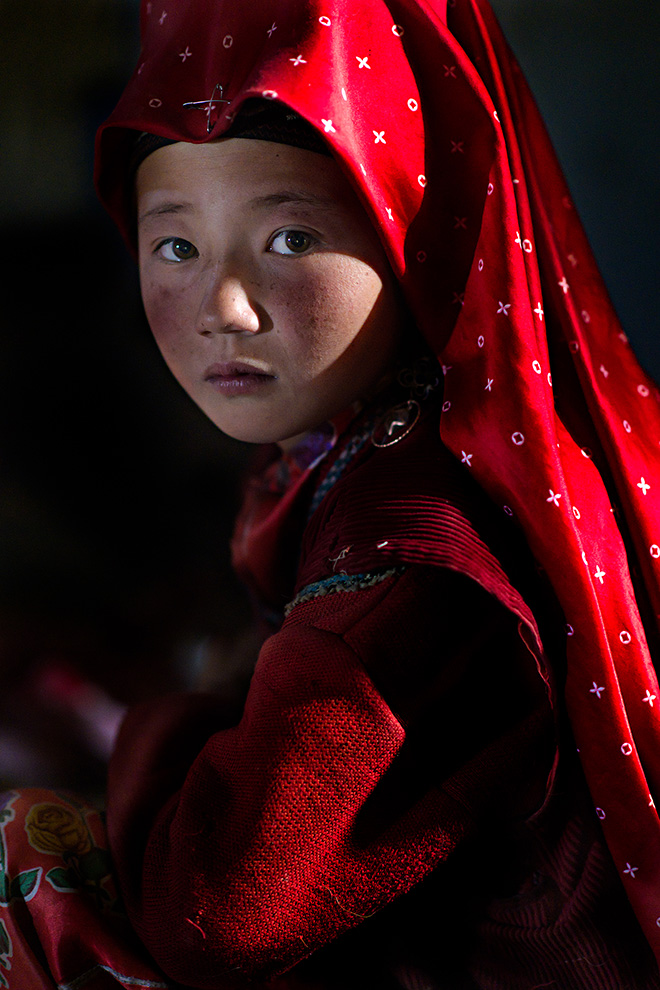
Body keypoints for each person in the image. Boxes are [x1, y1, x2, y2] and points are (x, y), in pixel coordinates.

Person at [2, 0, 660, 986]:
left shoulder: (407, 561)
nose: (223, 307)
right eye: (176, 247)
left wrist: (191, 716)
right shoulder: (377, 440)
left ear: (416, 239)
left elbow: (218, 913)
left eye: (291, 241)